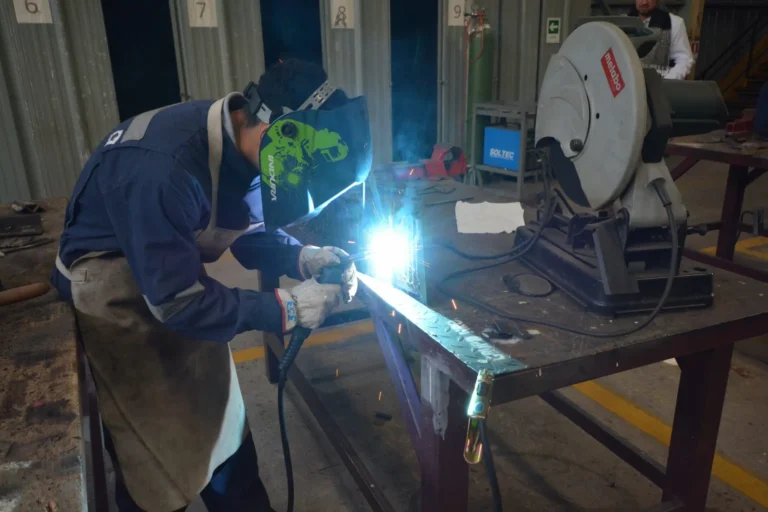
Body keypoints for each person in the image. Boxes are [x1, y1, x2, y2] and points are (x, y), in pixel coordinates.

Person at [51, 59, 372, 512]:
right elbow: (178, 304)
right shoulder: (165, 170)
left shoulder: (244, 150)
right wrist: (287, 310)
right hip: (113, 295)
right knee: (154, 465)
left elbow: (241, 225)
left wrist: (301, 256)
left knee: (224, 433)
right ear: (279, 133)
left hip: (173, 282)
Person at [630, 0, 694, 80]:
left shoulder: (674, 23)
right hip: (630, 84)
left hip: (661, 83)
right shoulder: (624, 22)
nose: (644, 2)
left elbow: (684, 59)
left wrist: (666, 81)